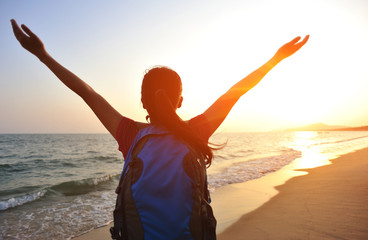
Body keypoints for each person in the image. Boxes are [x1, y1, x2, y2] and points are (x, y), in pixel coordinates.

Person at [11, 19, 308, 238]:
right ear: (180, 100)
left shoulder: (129, 134)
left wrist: (42, 55)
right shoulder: (196, 132)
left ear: (142, 100)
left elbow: (87, 93)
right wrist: (276, 59)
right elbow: (236, 91)